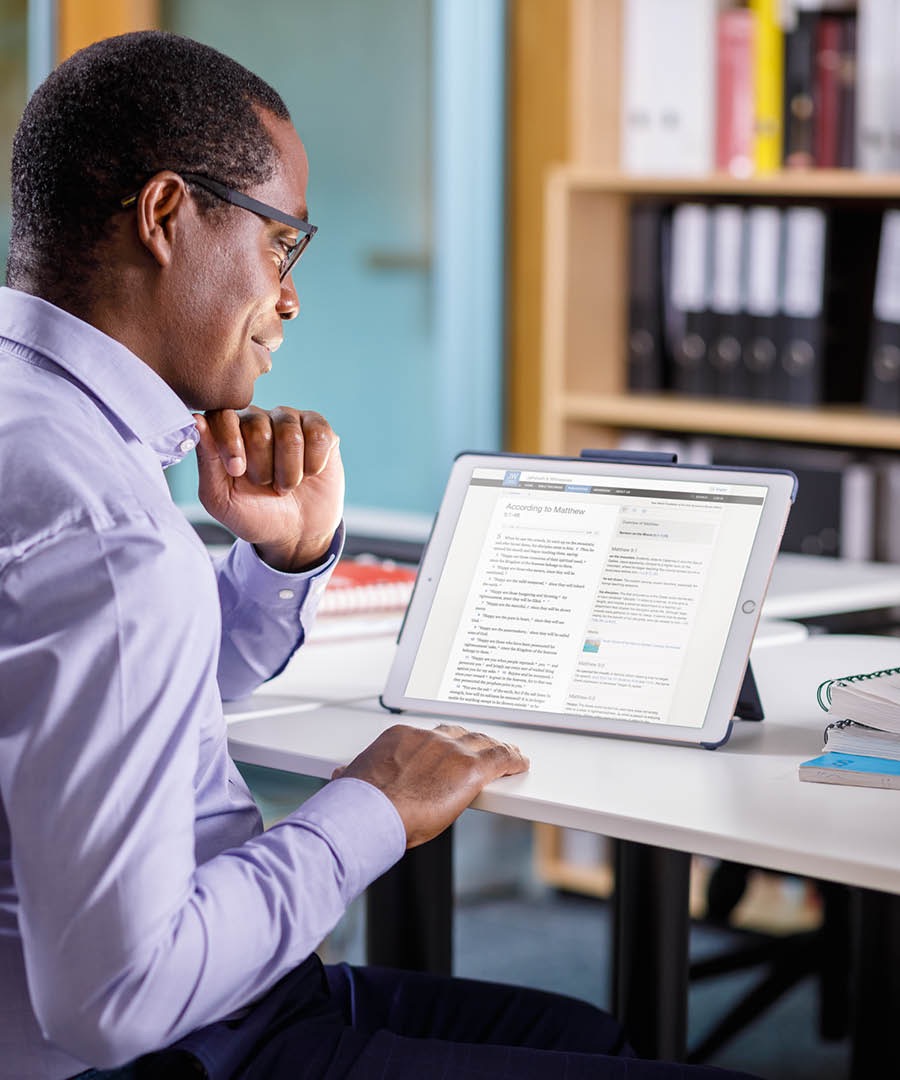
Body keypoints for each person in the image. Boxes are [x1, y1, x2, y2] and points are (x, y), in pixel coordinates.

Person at [0, 30, 761, 1080]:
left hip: (218, 998)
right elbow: (115, 998)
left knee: (588, 1037)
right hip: (168, 1042)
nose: (290, 297)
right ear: (166, 215)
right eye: (280, 244)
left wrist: (285, 560)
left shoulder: (42, 429)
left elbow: (105, 690)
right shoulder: (107, 538)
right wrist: (373, 807)